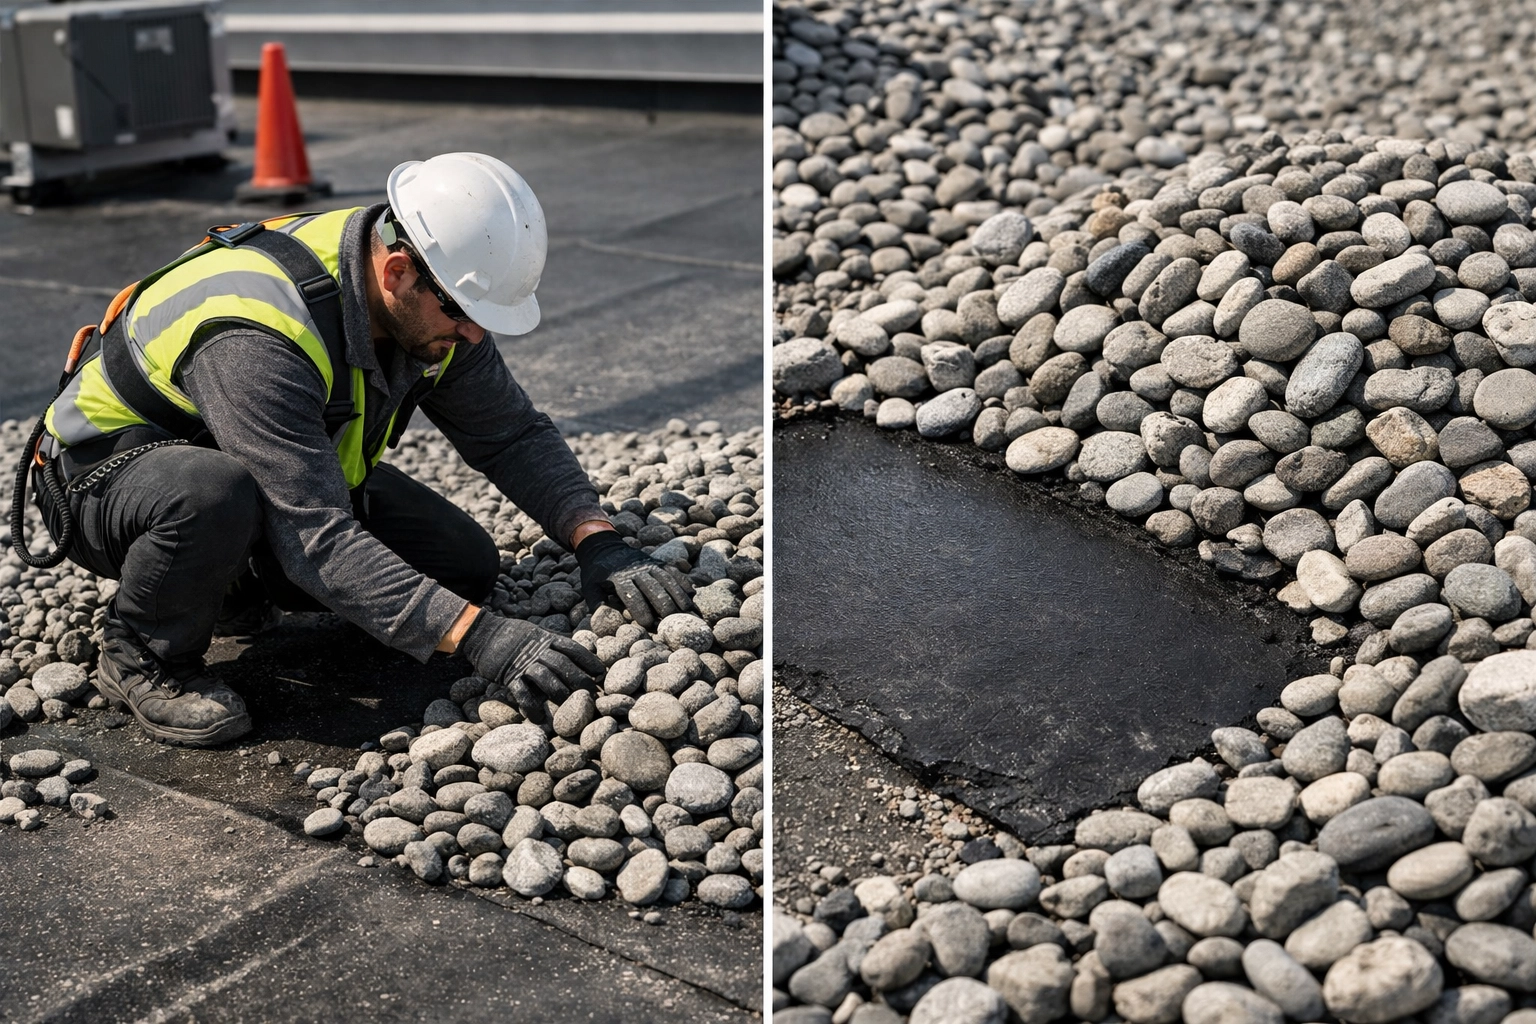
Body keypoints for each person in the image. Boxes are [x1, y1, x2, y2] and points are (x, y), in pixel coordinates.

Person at [28, 152, 692, 747]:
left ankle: (229, 581)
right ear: (398, 271)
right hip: (107, 480)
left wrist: (596, 539)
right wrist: (482, 637)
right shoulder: (259, 335)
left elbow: (510, 433)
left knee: (461, 567)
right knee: (213, 495)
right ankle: (141, 651)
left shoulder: (428, 298)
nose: (472, 335)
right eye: (463, 315)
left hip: (252, 461)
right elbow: (315, 534)